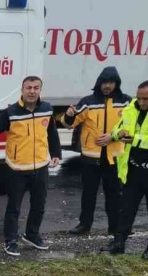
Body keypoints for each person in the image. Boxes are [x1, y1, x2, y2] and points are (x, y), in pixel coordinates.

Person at [0, 76, 61, 257]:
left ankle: (32, 235)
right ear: (22, 90)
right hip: (17, 168)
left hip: (41, 166)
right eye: (28, 88)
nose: (32, 91)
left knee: (39, 205)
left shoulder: (47, 109)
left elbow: (52, 133)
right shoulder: (11, 112)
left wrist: (56, 153)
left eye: (36, 88)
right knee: (14, 208)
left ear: (40, 90)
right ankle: (10, 241)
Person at [63, 66, 131, 236]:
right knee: (88, 194)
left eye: (111, 82)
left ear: (116, 84)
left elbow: (131, 126)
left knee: (114, 194)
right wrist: (69, 114)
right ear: (99, 83)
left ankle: (115, 227)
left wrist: (113, 137)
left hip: (115, 156)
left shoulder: (126, 102)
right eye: (104, 82)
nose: (107, 86)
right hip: (90, 156)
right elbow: (69, 123)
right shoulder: (88, 102)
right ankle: (84, 225)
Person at [105, 81, 148, 258]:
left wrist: (134, 139)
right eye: (139, 98)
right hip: (133, 169)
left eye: (146, 99)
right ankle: (119, 242)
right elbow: (116, 130)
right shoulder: (130, 109)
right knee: (126, 208)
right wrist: (119, 133)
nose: (142, 102)